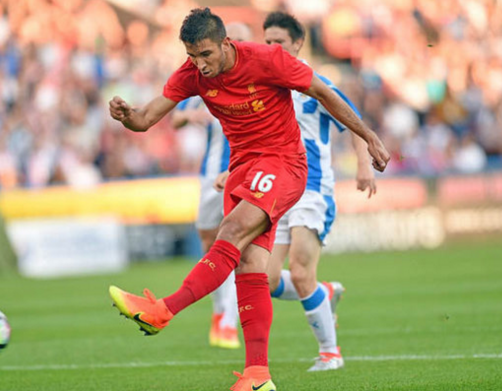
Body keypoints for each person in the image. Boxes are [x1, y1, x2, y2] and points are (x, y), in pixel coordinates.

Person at [108, 8, 390, 390]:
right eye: (192, 56)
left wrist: (369, 136)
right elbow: (145, 119)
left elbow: (324, 92)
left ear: (226, 43)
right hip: (242, 170)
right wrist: (126, 115)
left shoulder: (267, 60)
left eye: (206, 54)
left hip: (284, 164)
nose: (200, 65)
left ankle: (162, 310)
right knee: (250, 267)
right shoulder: (191, 74)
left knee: (233, 229)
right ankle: (258, 375)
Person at [262, 11, 376, 372]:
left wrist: (363, 163)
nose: (270, 48)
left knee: (299, 270)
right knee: (262, 279)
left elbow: (354, 121)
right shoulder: (261, 88)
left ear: (297, 43)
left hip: (312, 189)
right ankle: (323, 293)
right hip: (277, 192)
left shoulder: (316, 83)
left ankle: (331, 353)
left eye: (277, 42)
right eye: (265, 43)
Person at [171, 22, 253, 350]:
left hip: (243, 174)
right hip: (210, 175)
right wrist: (191, 117)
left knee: (233, 245)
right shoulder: (207, 82)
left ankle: (228, 321)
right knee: (210, 243)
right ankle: (220, 310)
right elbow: (175, 117)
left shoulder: (254, 79)